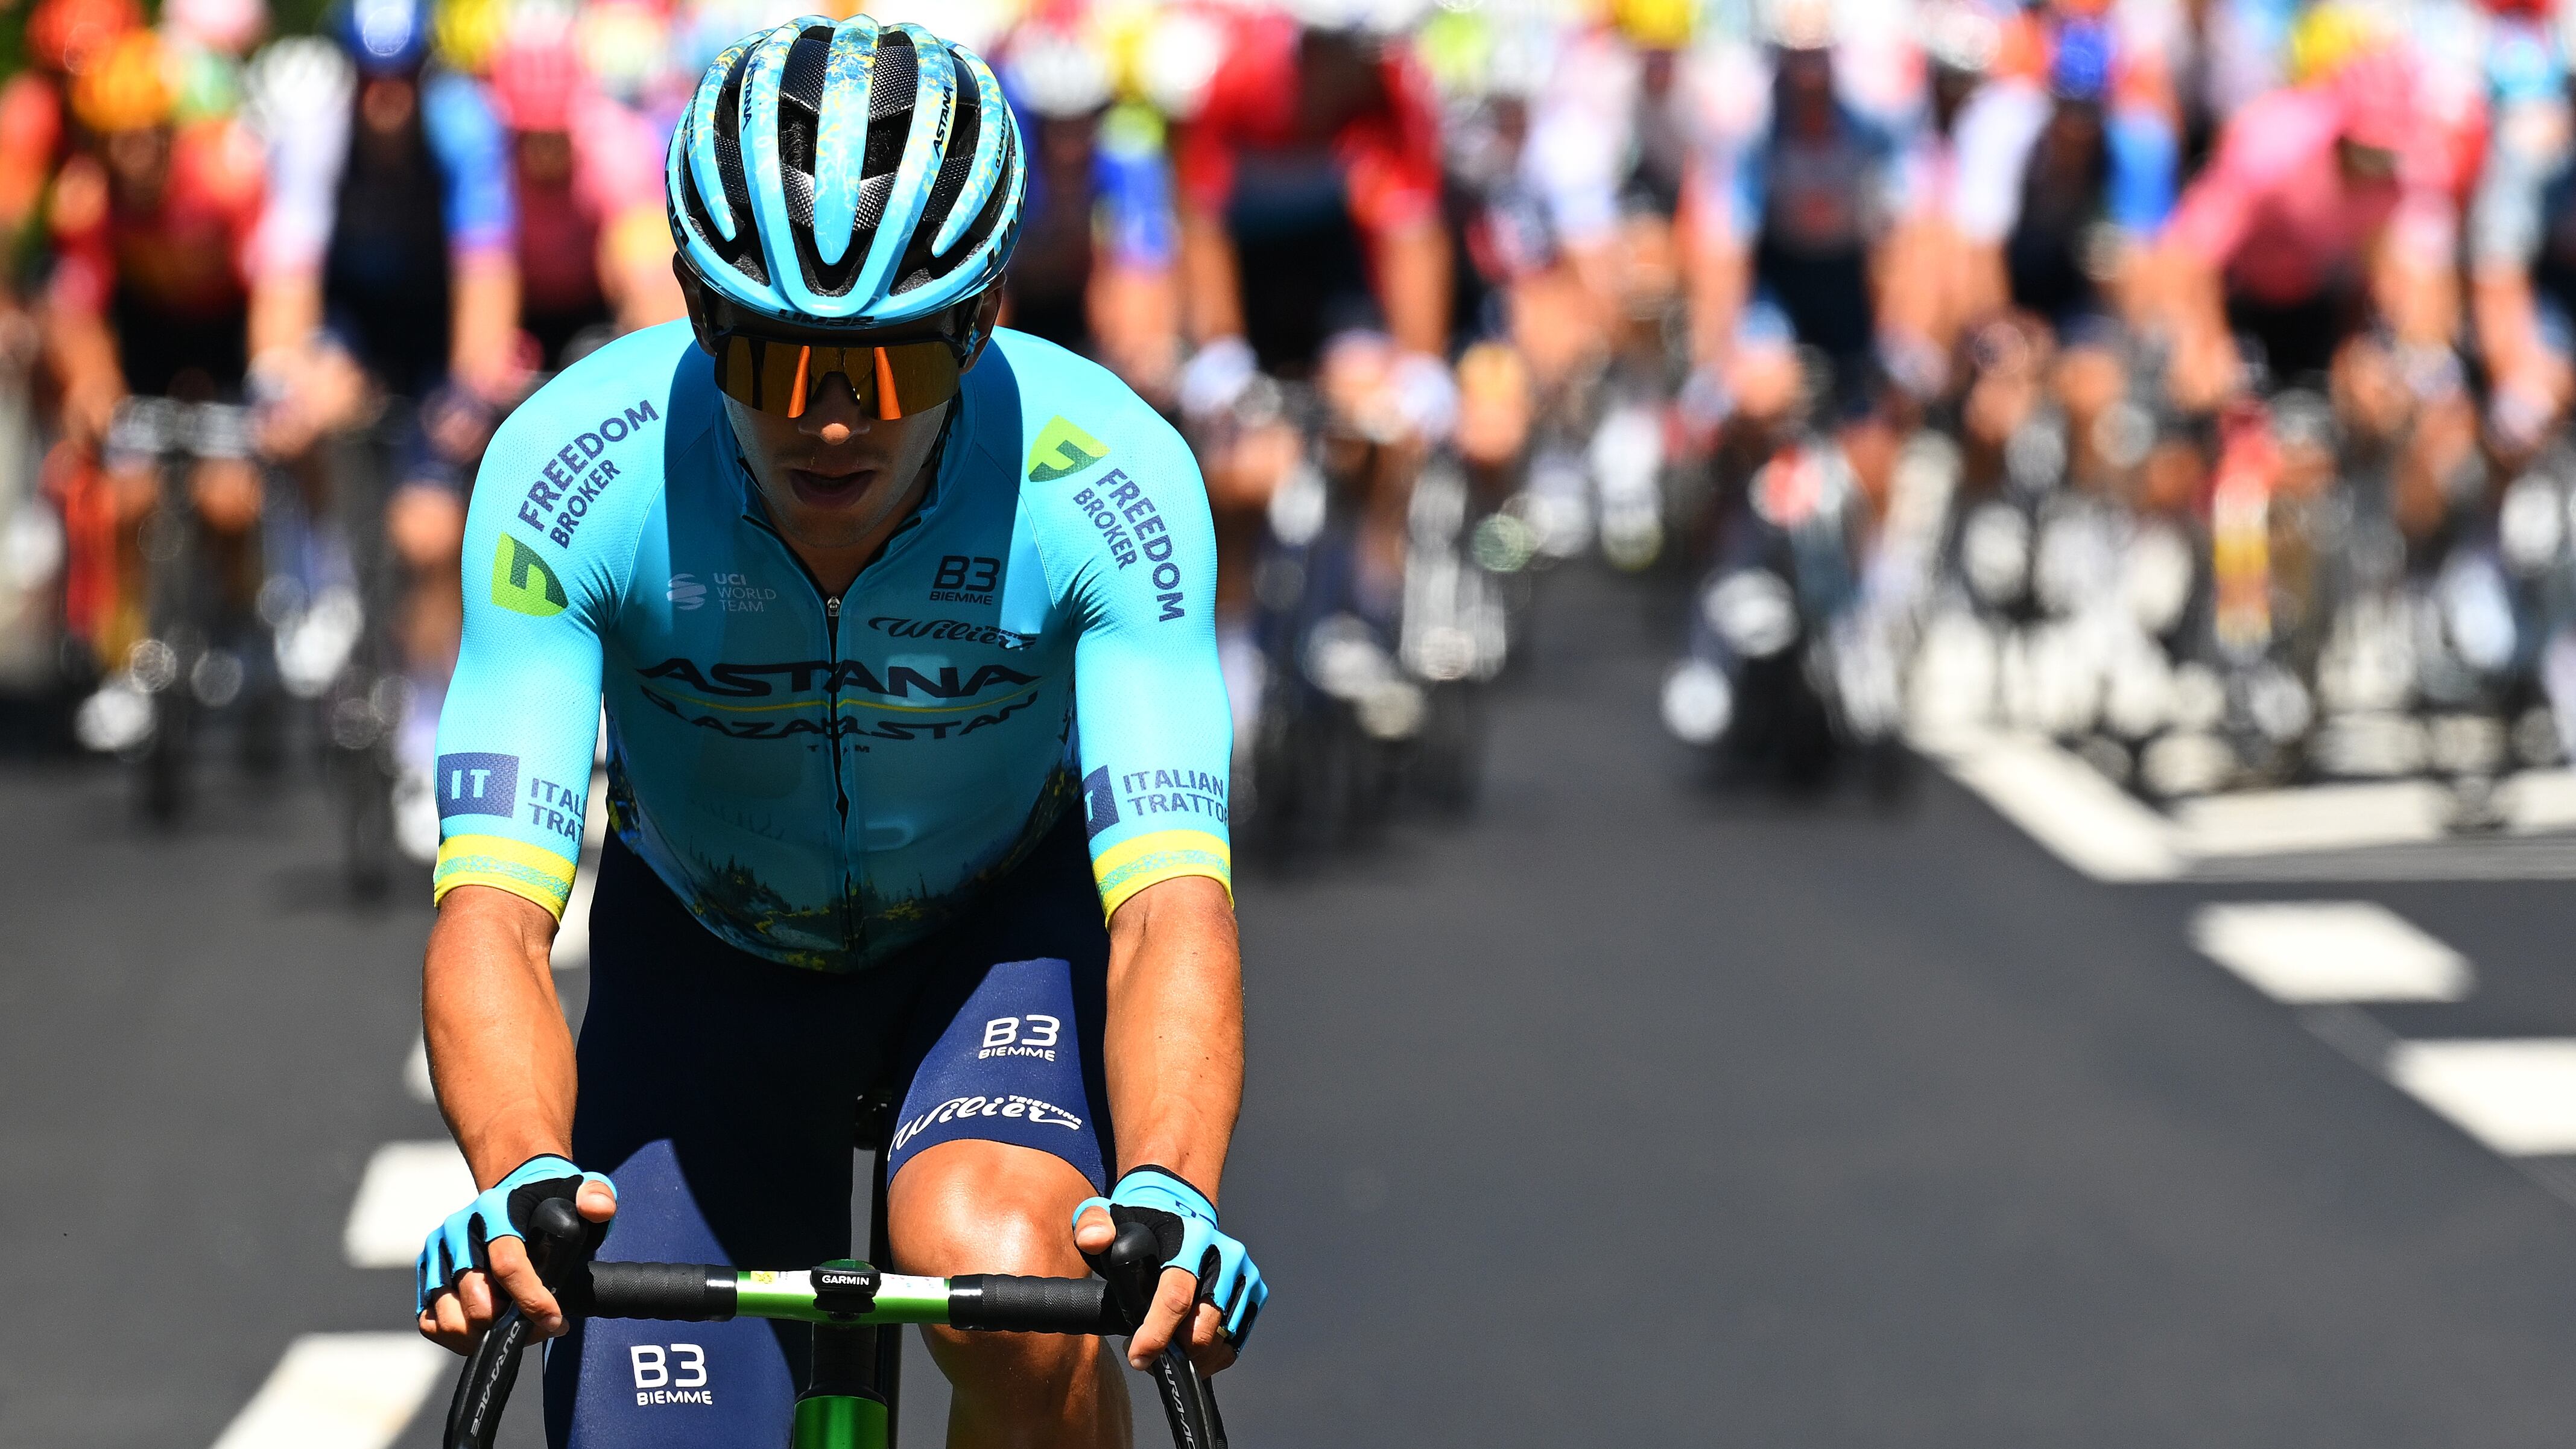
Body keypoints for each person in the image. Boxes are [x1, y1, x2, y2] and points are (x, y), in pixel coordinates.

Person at [408, 17, 1262, 1448]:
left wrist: (1172, 1187)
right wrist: (516, 1174)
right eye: (769, 353)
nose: (828, 421)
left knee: (1010, 1269)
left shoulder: (1111, 484)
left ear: (986, 319)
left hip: (994, 937)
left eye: (893, 364)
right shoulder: (570, 477)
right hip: (705, 956)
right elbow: (491, 909)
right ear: (693, 307)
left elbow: (1173, 902)